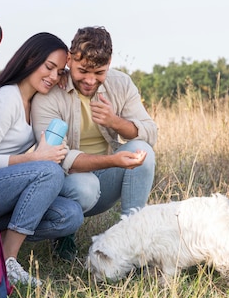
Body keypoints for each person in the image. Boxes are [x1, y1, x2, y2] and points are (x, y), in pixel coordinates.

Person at [0, 32, 83, 287]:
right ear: (30, 60)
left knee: (70, 215)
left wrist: (65, 76)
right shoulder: (7, 98)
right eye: (49, 67)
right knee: (49, 172)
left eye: (59, 72)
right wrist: (33, 158)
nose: (53, 76)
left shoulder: (35, 100)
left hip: (0, 187)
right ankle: (7, 259)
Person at [30, 26, 157, 258]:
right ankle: (64, 234)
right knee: (85, 187)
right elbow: (57, 157)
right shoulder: (48, 93)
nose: (90, 80)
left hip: (107, 177)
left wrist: (115, 122)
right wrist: (113, 160)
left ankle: (132, 238)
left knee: (143, 150)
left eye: (99, 72)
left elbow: (150, 132)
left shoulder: (121, 83)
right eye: (83, 71)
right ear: (69, 59)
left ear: (109, 64)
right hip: (67, 183)